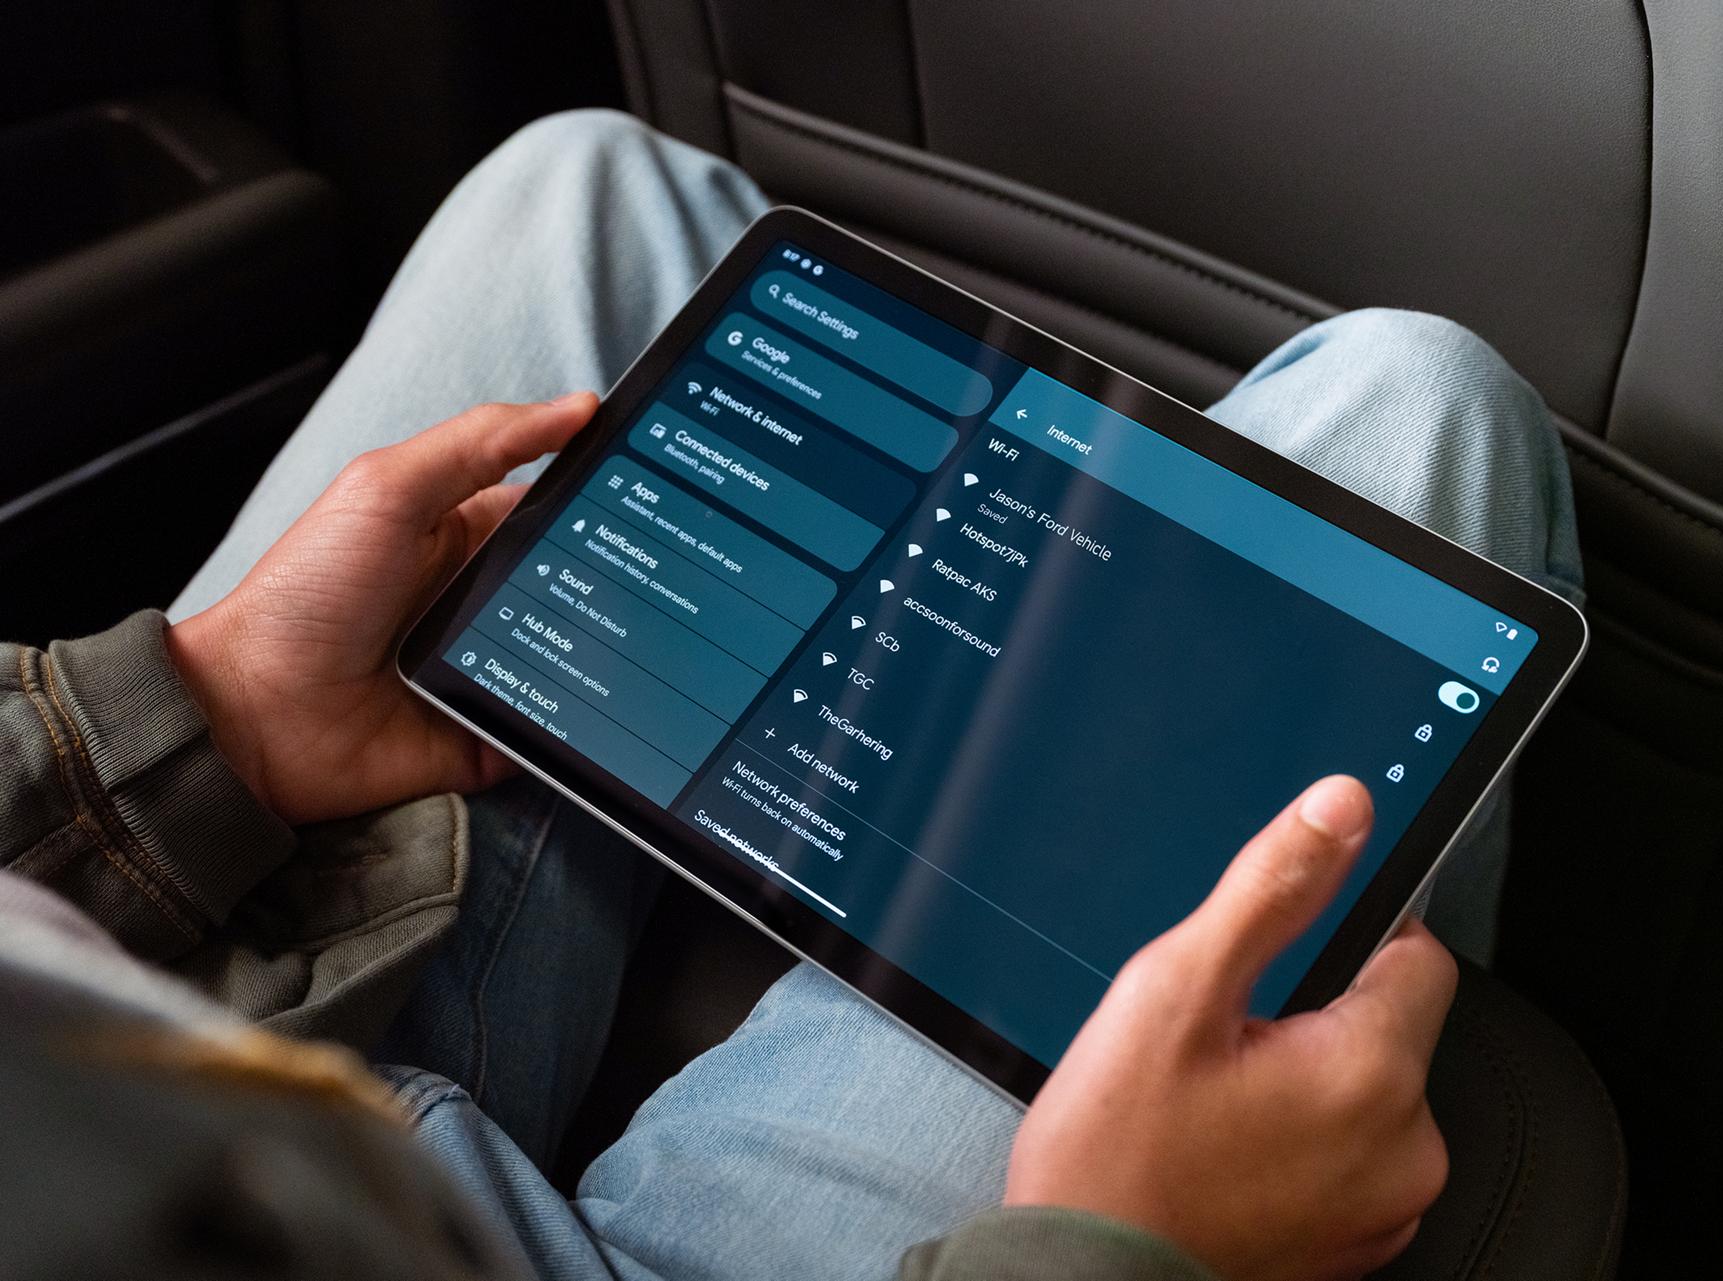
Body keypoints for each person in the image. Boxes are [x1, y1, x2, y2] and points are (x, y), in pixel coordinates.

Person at [0, 112, 1582, 1281]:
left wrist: (173, 727)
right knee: (1420, 400)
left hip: (163, 1001)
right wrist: (1110, 1247)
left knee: (587, 189)